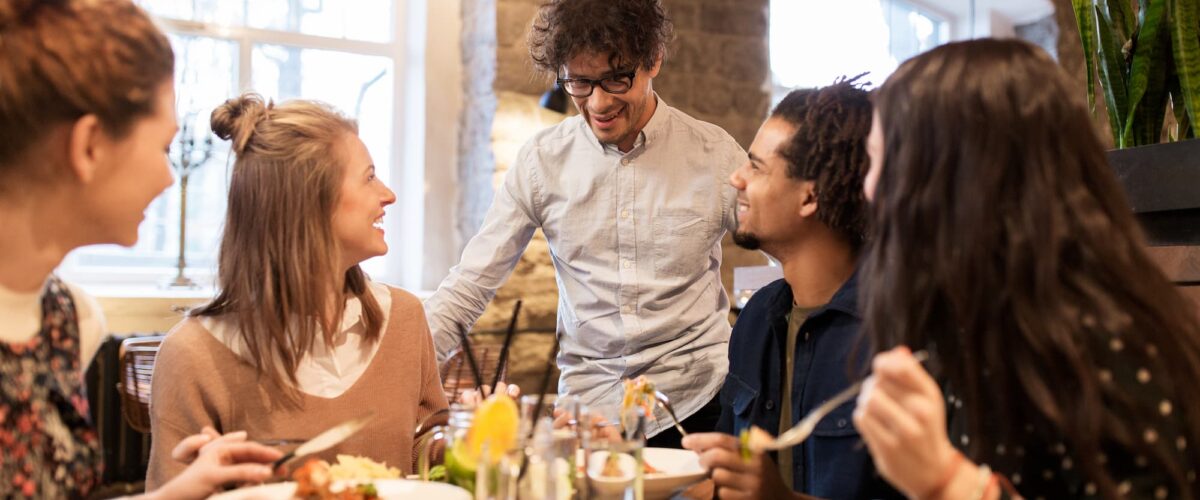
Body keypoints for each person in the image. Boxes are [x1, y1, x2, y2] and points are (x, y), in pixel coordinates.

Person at [854, 38, 1200, 499]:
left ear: (955, 181)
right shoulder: (969, 327)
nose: (869, 189)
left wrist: (949, 484)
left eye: (878, 162)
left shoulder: (1112, 350)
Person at [424, 0, 745, 449]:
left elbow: (786, 246)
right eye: (578, 81)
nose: (597, 103)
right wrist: (399, 369)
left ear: (653, 59)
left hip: (699, 403)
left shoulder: (715, 153)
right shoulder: (541, 163)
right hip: (589, 416)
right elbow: (468, 287)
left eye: (616, 78)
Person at [0, 0, 283, 498]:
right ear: (90, 146)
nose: (167, 176)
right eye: (161, 148)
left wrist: (184, 488)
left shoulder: (68, 319)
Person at [146, 94, 449, 487]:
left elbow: (427, 459)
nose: (388, 194)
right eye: (369, 176)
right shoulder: (192, 356)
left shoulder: (406, 317)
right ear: (308, 202)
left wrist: (474, 439)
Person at [682, 80, 901, 499]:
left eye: (757, 167)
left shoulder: (892, 336)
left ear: (810, 197)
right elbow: (721, 482)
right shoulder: (757, 320)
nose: (736, 178)